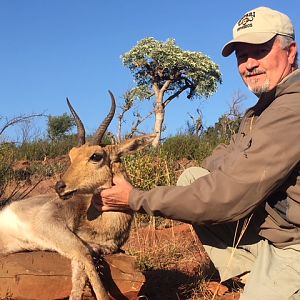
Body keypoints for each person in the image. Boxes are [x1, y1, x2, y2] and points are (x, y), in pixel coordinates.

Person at [101, 6, 300, 300]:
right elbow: (225, 158)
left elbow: (228, 195)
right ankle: (255, 276)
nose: (249, 64)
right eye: (242, 56)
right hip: (277, 228)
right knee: (194, 178)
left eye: (259, 51)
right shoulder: (263, 109)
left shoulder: (291, 108)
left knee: (213, 194)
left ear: (290, 52)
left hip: (293, 241)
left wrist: (134, 199)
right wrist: (229, 166)